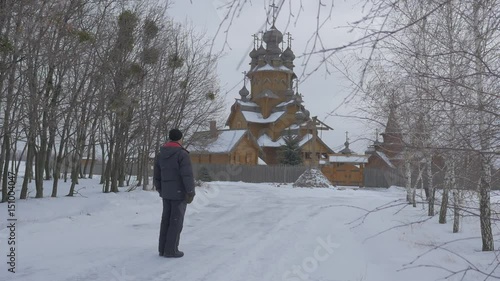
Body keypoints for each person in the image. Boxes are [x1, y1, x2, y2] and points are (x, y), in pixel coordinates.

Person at [154, 129, 195, 258]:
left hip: (166, 193)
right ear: (180, 139)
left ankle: (162, 249)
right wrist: (190, 192)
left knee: (166, 220)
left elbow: (157, 175)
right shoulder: (182, 154)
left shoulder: (161, 154)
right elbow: (187, 175)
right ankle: (171, 250)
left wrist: (161, 189)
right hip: (179, 193)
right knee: (176, 221)